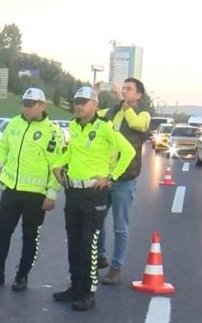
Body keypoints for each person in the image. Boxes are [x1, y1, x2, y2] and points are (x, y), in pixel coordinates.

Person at [52, 86, 135, 311]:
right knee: (74, 243)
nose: (79, 106)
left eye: (84, 102)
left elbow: (128, 151)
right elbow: (72, 152)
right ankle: (75, 286)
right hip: (73, 192)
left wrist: (111, 177)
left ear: (95, 105)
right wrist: (58, 164)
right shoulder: (74, 126)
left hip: (94, 194)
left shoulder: (104, 127)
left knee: (89, 245)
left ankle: (88, 293)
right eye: (77, 102)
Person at [0, 87, 64, 292]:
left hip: (36, 194)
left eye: (30, 105)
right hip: (11, 190)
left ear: (42, 106)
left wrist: (52, 194)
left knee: (30, 236)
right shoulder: (14, 123)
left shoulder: (52, 131)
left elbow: (57, 165)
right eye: (24, 104)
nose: (26, 108)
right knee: (1, 231)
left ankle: (22, 276)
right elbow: (3, 146)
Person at [96, 77, 150, 284]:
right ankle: (100, 255)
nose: (124, 91)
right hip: (104, 177)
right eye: (123, 88)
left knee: (120, 226)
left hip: (124, 179)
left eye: (129, 89)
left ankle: (116, 268)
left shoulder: (142, 115)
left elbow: (137, 124)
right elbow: (92, 115)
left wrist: (122, 101)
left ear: (139, 95)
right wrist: (93, 93)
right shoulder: (111, 112)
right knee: (97, 220)